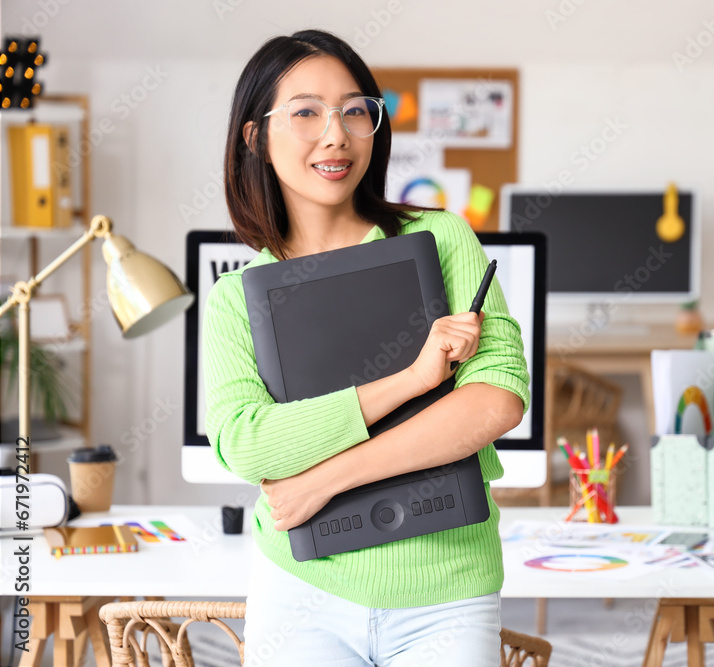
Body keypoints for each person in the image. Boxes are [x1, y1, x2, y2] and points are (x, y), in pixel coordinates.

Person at [202, 29, 529, 667]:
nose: (336, 134)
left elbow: (496, 403)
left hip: (448, 588)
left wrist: (319, 480)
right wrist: (411, 379)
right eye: (305, 113)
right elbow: (247, 444)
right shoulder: (234, 298)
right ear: (254, 137)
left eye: (355, 110)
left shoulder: (440, 239)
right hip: (300, 588)